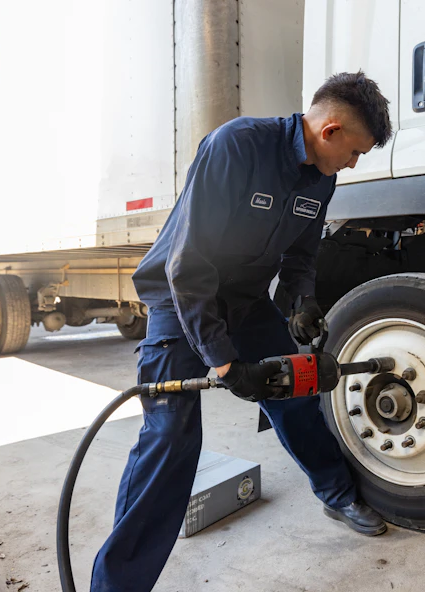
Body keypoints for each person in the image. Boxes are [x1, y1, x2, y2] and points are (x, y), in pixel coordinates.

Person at [90, 72, 393, 592]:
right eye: (355, 151)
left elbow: (301, 252)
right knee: (171, 438)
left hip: (246, 301)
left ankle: (337, 493)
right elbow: (188, 263)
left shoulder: (322, 176)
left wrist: (301, 303)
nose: (353, 163)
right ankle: (117, 585)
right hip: (180, 299)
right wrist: (224, 362)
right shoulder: (237, 146)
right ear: (331, 130)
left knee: (296, 390)